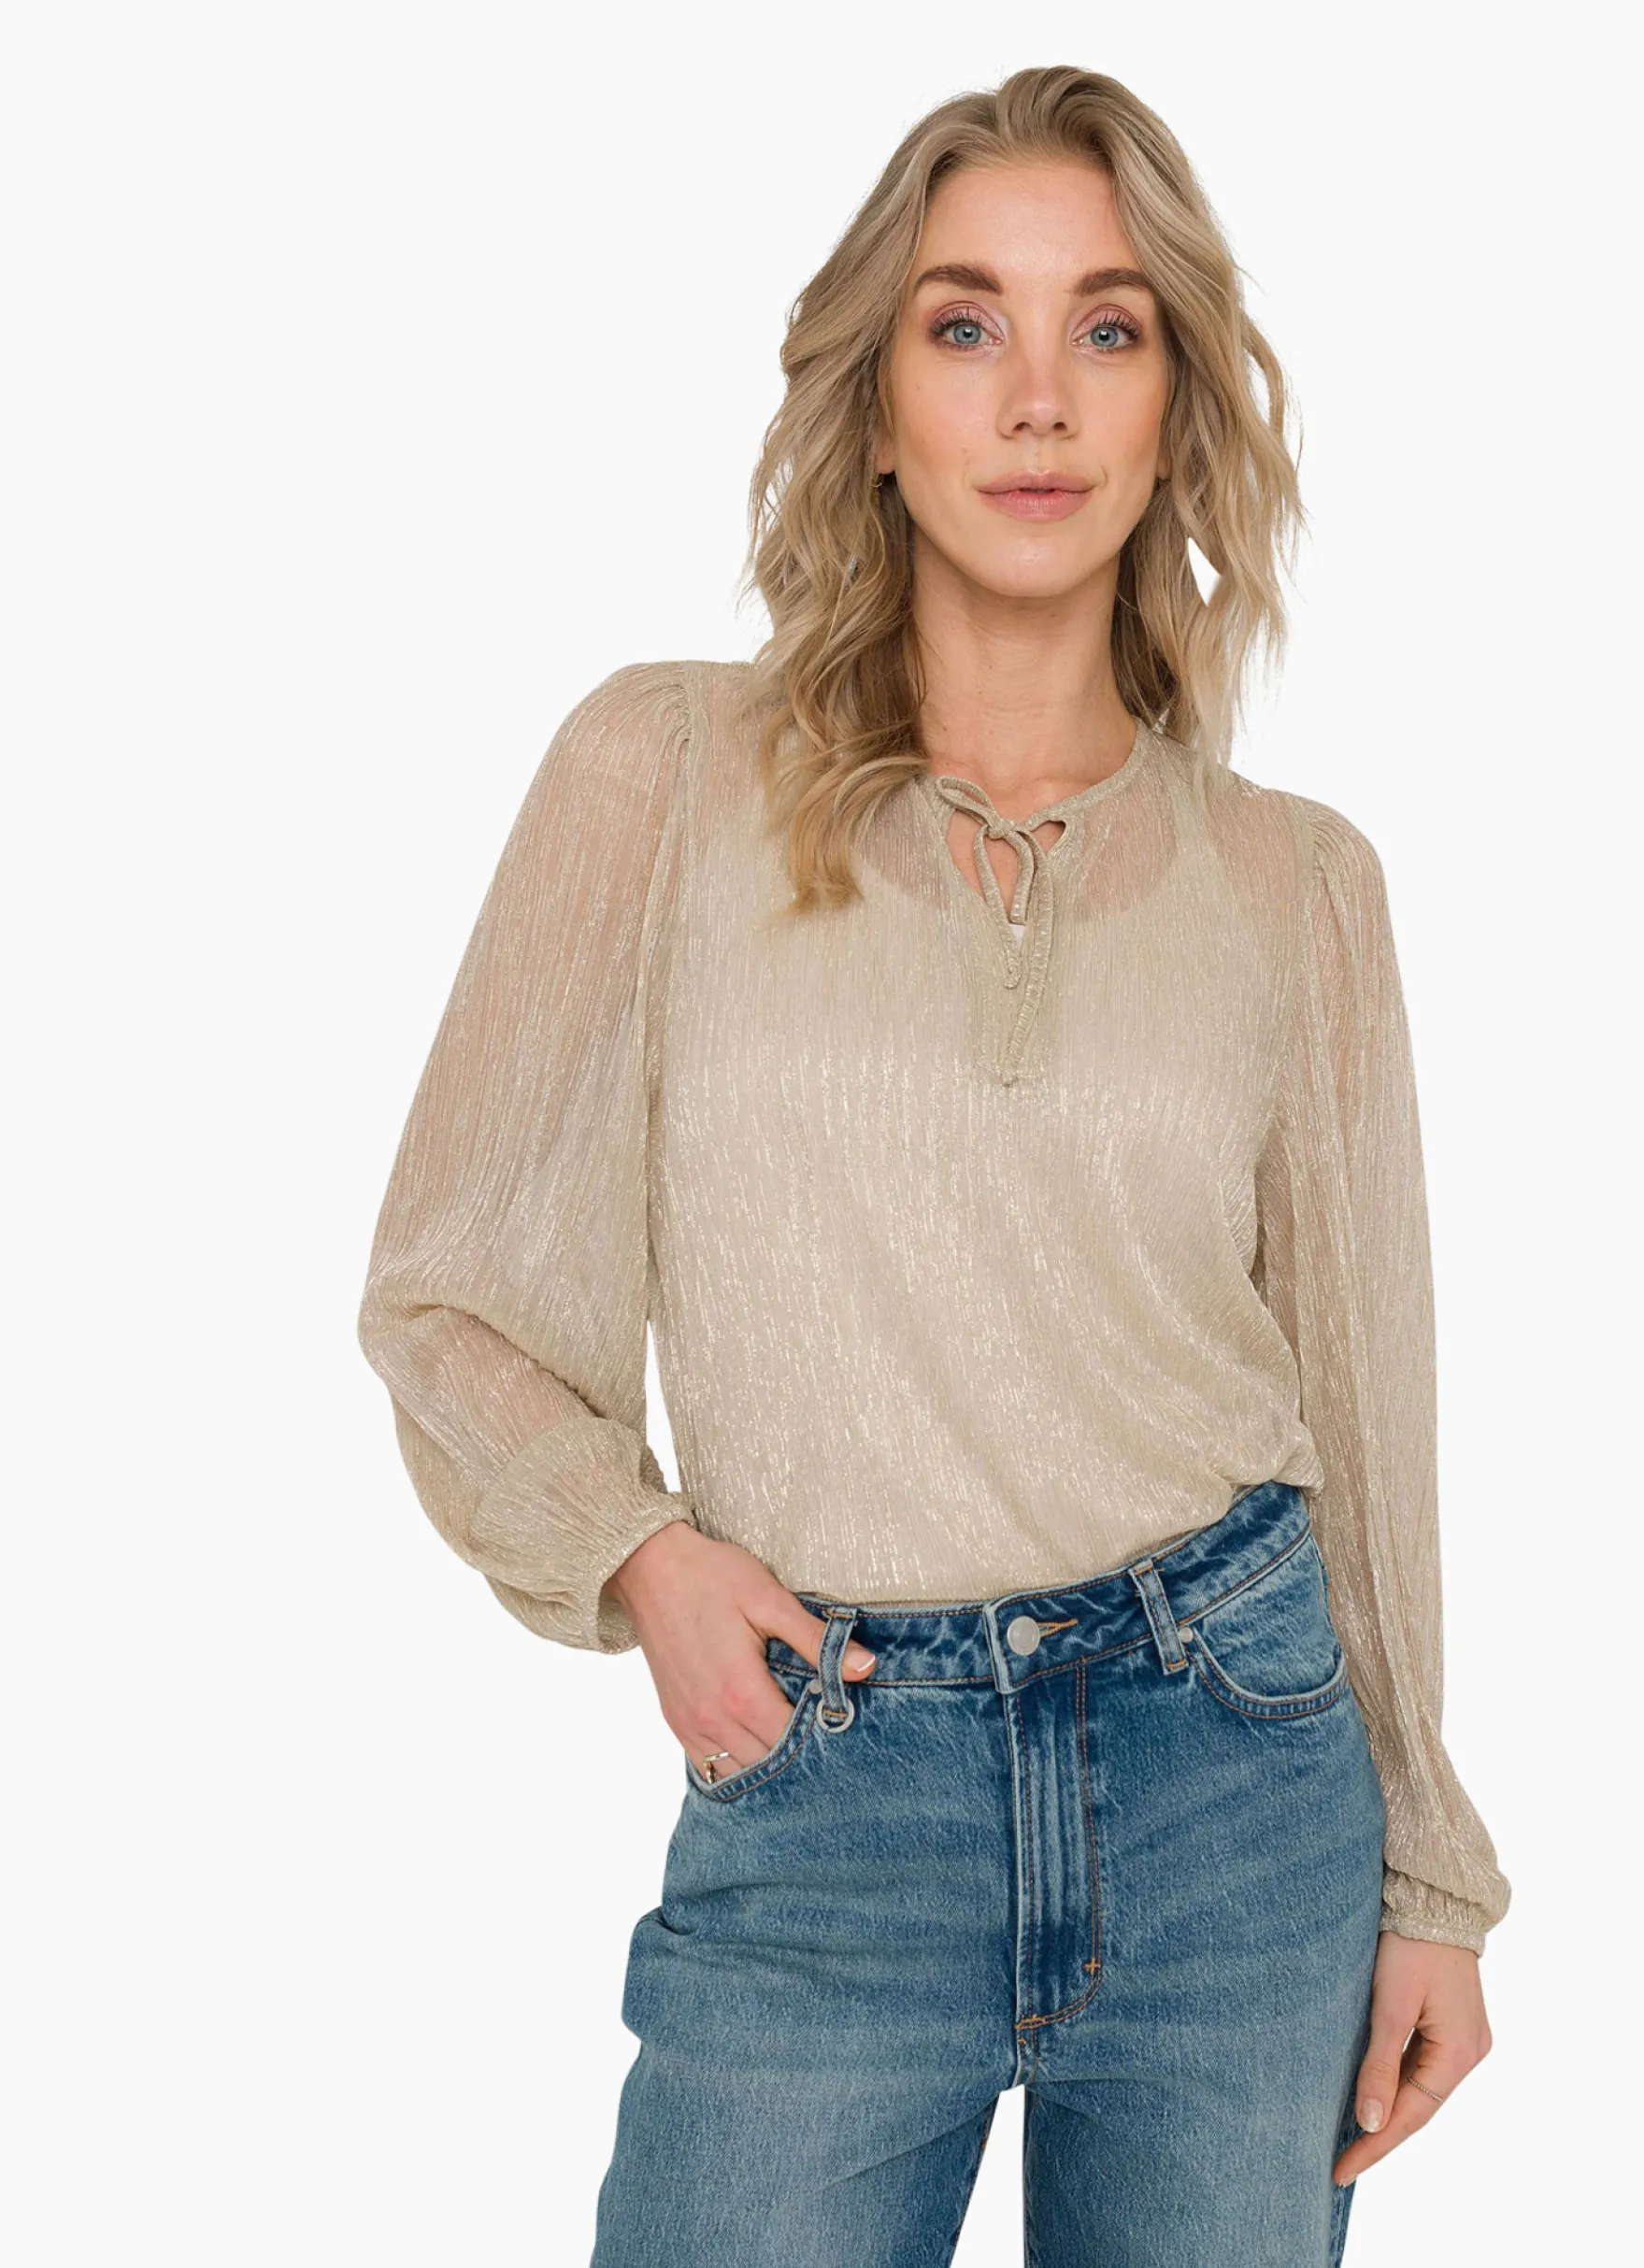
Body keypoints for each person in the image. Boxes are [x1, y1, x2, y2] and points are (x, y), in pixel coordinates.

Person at [355, 63, 1510, 2268]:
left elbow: (1368, 1409)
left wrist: (1430, 1877)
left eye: (1108, 327)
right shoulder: (662, 772)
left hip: (1235, 1776)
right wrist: (637, 1554)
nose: (1037, 397)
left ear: (1173, 410)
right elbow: (448, 1289)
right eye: (965, 324)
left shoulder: (1293, 885)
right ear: (875, 409)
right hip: (828, 1788)